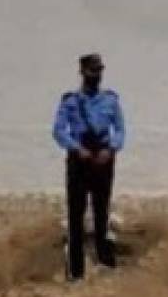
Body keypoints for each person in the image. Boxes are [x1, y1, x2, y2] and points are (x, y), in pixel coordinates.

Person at [52, 53, 126, 281]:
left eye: (99, 71)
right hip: (79, 159)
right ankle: (76, 270)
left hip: (103, 158)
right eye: (93, 72)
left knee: (102, 211)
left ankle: (105, 261)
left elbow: (121, 130)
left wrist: (111, 148)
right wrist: (75, 147)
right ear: (83, 73)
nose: (97, 76)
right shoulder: (70, 101)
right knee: (76, 214)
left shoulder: (111, 101)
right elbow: (58, 130)